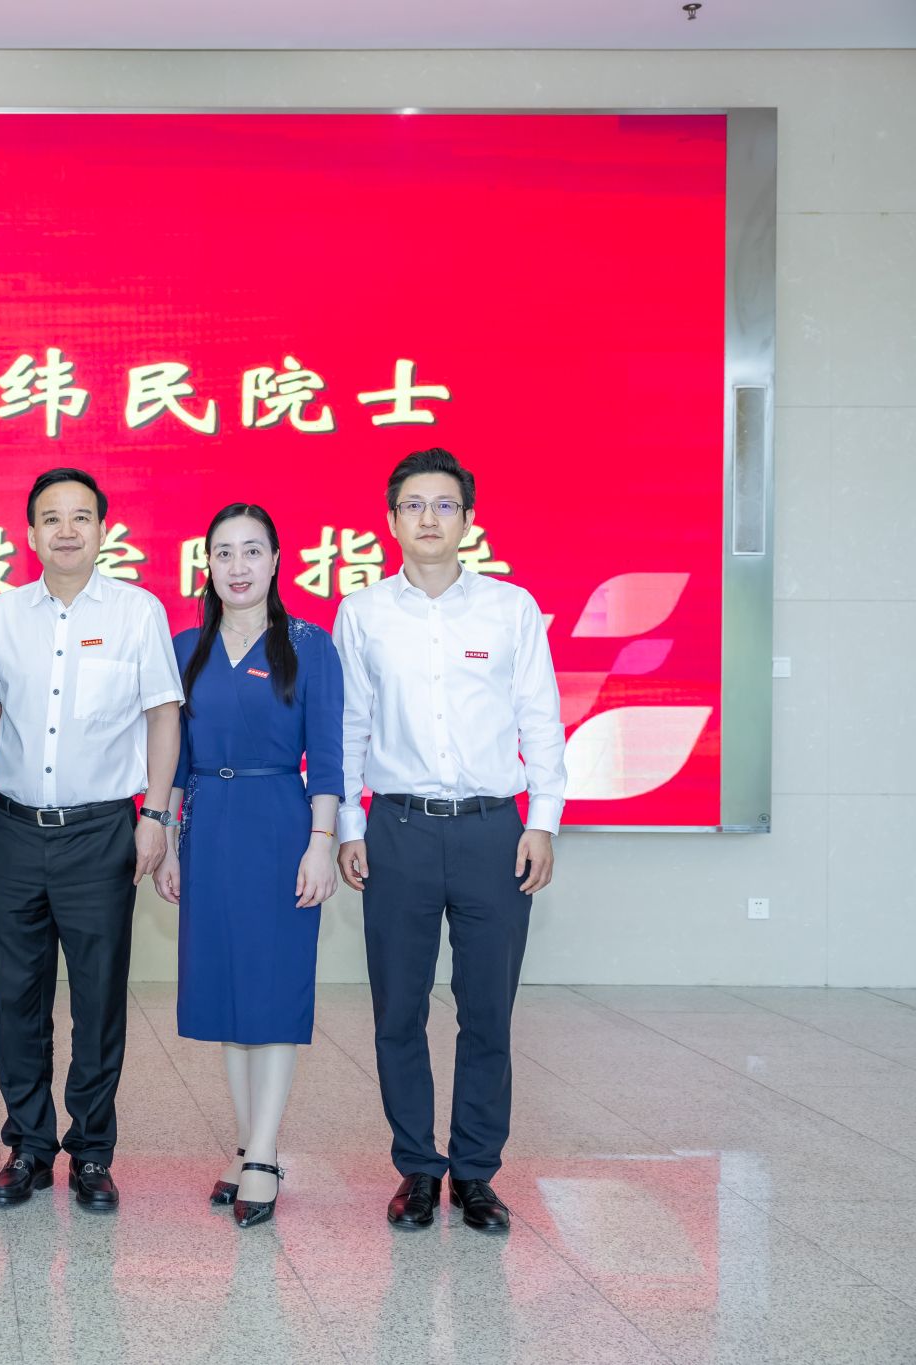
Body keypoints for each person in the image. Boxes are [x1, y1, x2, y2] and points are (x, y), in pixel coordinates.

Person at [333, 448, 567, 1234]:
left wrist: (543, 820)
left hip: (494, 832)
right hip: (396, 830)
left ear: (467, 518)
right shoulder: (364, 613)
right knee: (398, 1008)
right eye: (413, 505)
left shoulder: (510, 608)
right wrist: (351, 827)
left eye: (443, 504)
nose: (428, 518)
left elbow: (540, 719)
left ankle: (474, 1172)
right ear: (390, 519)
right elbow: (350, 728)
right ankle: (417, 1169)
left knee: (487, 1011)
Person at [0, 467, 184, 1213]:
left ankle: (92, 1151)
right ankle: (29, 1147)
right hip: (13, 827)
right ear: (30, 534)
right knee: (17, 998)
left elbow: (163, 715)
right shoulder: (1, 614)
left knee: (97, 1000)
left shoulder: (137, 611)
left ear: (102, 529)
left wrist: (156, 816)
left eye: (81, 517)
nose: (66, 530)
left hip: (101, 833)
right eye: (51, 518)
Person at [151, 503, 344, 1228]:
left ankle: (264, 1152)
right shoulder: (185, 648)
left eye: (252, 550)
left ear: (276, 560)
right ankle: (246, 1143)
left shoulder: (309, 645)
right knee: (227, 996)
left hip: (280, 826)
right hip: (208, 826)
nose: (238, 566)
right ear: (207, 564)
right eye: (224, 552)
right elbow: (172, 756)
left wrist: (321, 842)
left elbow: (328, 756)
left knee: (274, 991)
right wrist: (168, 838)